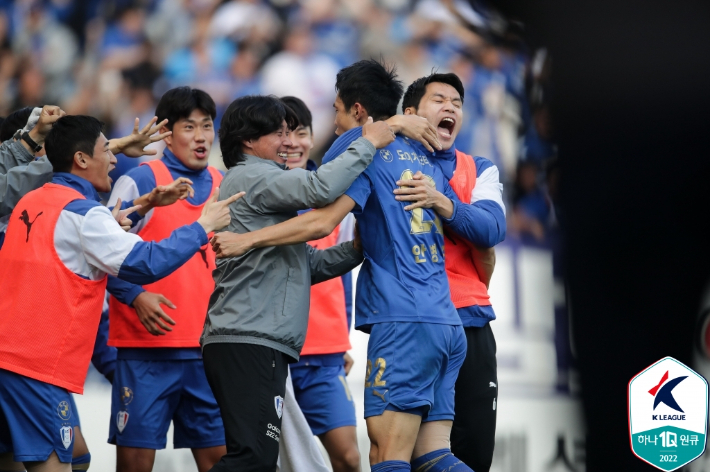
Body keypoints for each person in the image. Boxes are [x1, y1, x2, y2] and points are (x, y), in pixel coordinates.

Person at [211, 60, 476, 472]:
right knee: (435, 455)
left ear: (356, 112)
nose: (332, 127)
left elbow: (320, 214)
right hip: (446, 323)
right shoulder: (426, 159)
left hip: (403, 320)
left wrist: (246, 239)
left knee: (385, 456)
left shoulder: (358, 143)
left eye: (334, 112)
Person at [0, 114, 241, 472]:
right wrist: (202, 225)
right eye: (105, 149)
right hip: (34, 367)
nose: (114, 158)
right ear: (81, 159)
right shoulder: (86, 216)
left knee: (71, 458)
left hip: (12, 360)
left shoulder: (31, 201)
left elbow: (74, 238)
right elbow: (145, 262)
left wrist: (141, 207)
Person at [201, 94, 394, 472]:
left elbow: (307, 264)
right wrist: (368, 142)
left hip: (251, 338)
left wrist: (354, 251)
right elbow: (321, 188)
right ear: (249, 142)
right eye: (279, 132)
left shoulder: (256, 182)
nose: (290, 141)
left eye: (291, 132)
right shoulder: (255, 176)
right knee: (252, 458)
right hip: (248, 337)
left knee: (256, 458)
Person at [106, 87, 228, 472]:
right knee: (135, 464)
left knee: (219, 462)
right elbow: (101, 251)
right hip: (146, 352)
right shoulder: (141, 182)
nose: (201, 136)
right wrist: (136, 295)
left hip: (208, 353)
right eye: (189, 126)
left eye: (207, 126)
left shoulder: (225, 184)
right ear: (165, 133)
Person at [400, 73, 506, 472]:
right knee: (412, 454)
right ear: (410, 114)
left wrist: (441, 202)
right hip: (413, 324)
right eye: (439, 100)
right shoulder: (389, 163)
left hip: (471, 321)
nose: (450, 108)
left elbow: (491, 228)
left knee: (474, 450)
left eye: (457, 103)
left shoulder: (478, 168)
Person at [280, 96, 360, 472]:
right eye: (282, 132)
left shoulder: (332, 197)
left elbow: (342, 274)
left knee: (348, 457)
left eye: (301, 132)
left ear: (313, 138)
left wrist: (340, 337)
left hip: (323, 355)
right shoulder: (251, 198)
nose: (293, 141)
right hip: (271, 355)